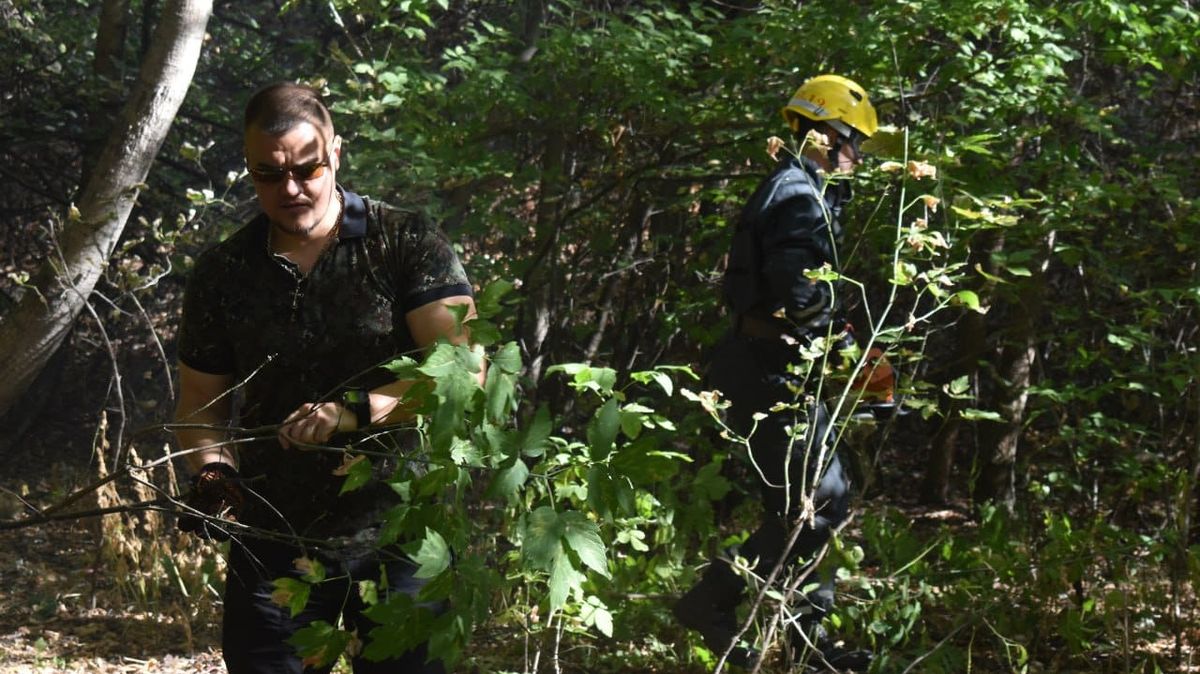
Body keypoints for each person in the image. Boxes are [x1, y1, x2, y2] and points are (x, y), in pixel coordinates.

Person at [172, 82, 480, 674]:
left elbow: (465, 372)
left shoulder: (406, 243)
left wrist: (353, 413)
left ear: (336, 153)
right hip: (274, 539)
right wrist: (215, 481)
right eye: (268, 175)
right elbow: (200, 407)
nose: (290, 189)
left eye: (306, 168)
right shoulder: (223, 272)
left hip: (401, 532)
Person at [674, 74, 883, 671]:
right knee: (816, 504)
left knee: (813, 505)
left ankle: (808, 646)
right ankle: (713, 602)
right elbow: (799, 292)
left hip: (774, 365)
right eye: (854, 143)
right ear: (825, 135)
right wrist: (854, 351)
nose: (859, 157)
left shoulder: (802, 189)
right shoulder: (797, 195)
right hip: (771, 369)